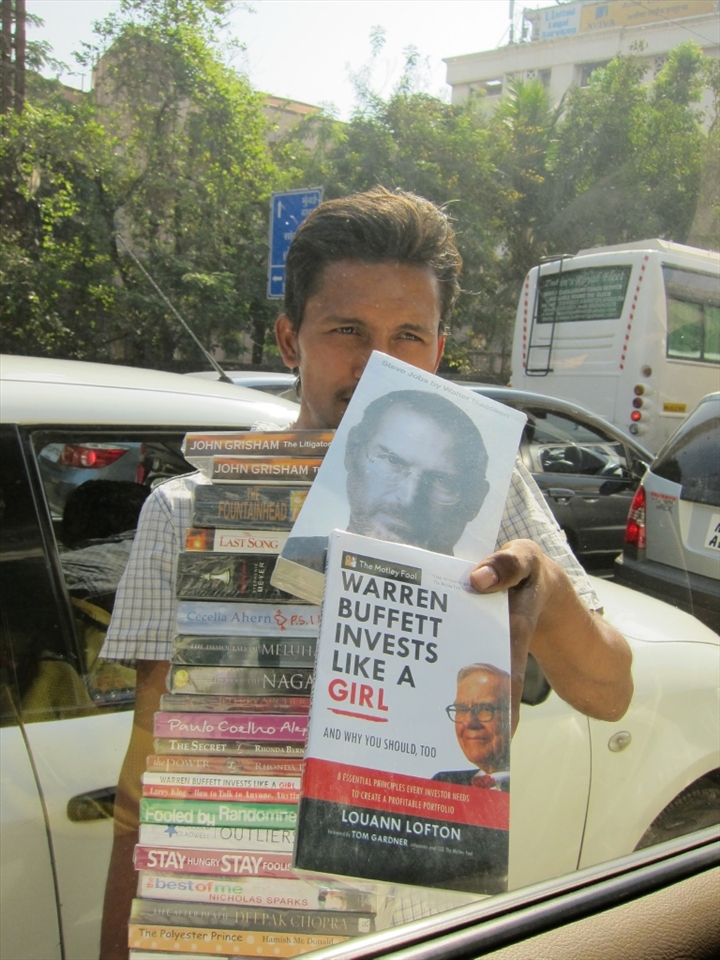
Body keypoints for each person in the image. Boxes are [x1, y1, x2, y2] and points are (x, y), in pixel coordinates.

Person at [99, 187, 633, 958]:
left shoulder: (483, 492)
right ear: (290, 340)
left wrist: (540, 592)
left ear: (438, 349)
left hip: (420, 921)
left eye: (408, 334)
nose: (380, 361)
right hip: (242, 928)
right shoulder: (192, 512)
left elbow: (609, 692)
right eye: (348, 330)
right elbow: (143, 786)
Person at [434, 664, 511, 791]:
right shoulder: (443, 784)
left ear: (511, 716)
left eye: (485, 709)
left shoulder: (532, 787)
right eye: (461, 709)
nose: (468, 722)